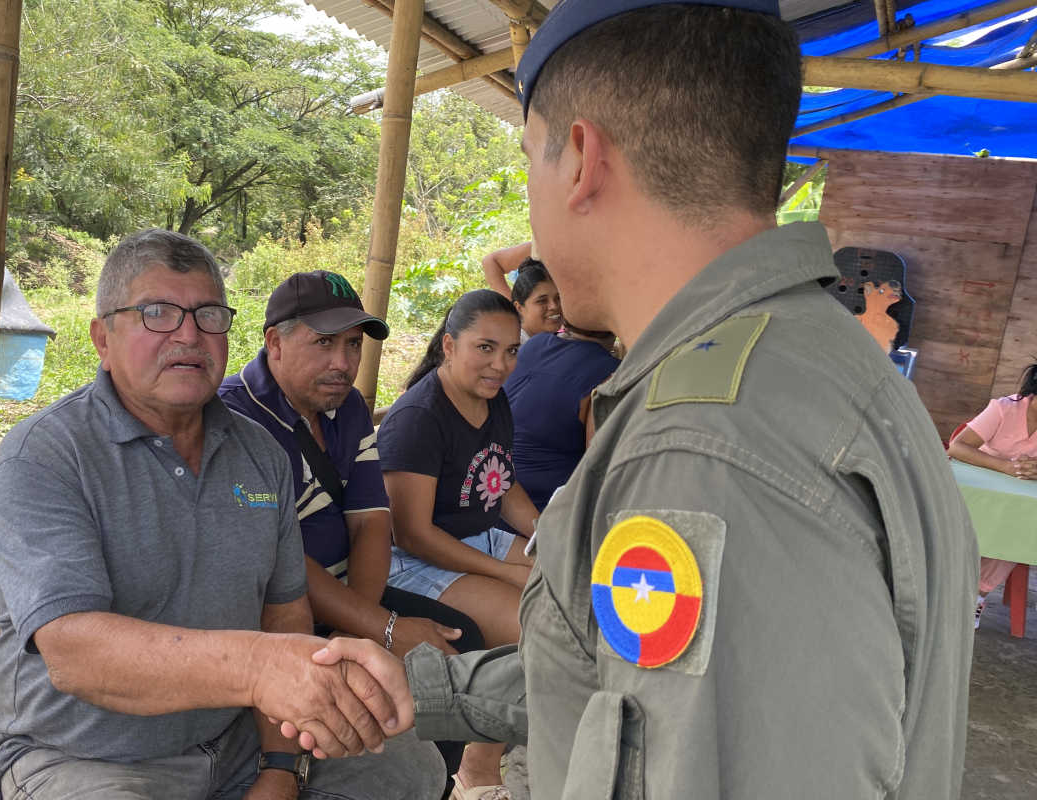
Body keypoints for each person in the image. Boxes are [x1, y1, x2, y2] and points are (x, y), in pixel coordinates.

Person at [285, 2, 977, 798]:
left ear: (580, 160)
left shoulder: (704, 443)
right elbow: (627, 683)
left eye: (527, 160)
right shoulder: (824, 364)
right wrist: (417, 689)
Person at [0, 229, 443, 800]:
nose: (189, 335)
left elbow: (285, 617)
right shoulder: (47, 455)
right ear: (103, 337)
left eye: (208, 315)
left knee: (409, 765)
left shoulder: (260, 454)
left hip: (237, 739)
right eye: (157, 314)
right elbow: (75, 653)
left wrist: (279, 769)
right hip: (84, 758)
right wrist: (259, 670)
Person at [218, 270, 486, 788]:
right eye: (323, 343)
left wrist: (363, 628)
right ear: (275, 341)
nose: (342, 363)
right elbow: (278, 559)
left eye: (352, 344)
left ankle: (435, 783)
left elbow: (371, 521)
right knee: (417, 670)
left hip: (349, 597)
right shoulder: (236, 419)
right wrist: (380, 629)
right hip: (277, 613)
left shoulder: (349, 406)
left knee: (455, 651)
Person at [379, 289, 539, 800]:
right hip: (411, 557)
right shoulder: (419, 418)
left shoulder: (494, 398)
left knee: (572, 585)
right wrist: (508, 573)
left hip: (478, 534)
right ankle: (478, 768)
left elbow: (501, 481)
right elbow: (412, 533)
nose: (501, 364)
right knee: (530, 620)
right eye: (485, 348)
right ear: (449, 346)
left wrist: (546, 535)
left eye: (512, 350)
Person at [947, 361, 1037, 627]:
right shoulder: (1004, 409)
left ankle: (976, 596)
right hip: (975, 493)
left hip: (1014, 506)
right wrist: (1005, 467)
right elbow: (957, 447)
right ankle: (943, 586)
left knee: (1021, 530)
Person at [502, 319, 620, 512]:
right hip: (545, 515)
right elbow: (602, 476)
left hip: (490, 498)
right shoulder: (610, 376)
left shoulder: (535, 343)